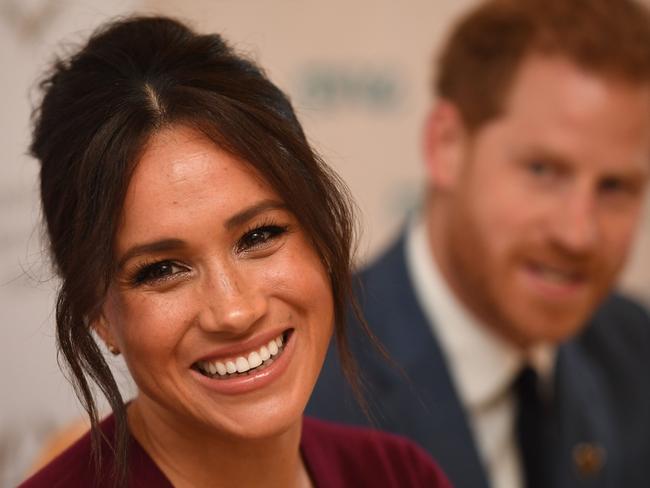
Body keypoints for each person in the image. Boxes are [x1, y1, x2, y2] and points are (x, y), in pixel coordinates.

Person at [20, 16, 451, 488]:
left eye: (259, 236)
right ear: (97, 312)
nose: (234, 310)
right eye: (162, 269)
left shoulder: (398, 475)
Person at [307, 0, 650, 487]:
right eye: (543, 171)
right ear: (446, 145)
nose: (578, 235)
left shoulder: (633, 349)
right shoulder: (310, 385)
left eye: (615, 188)